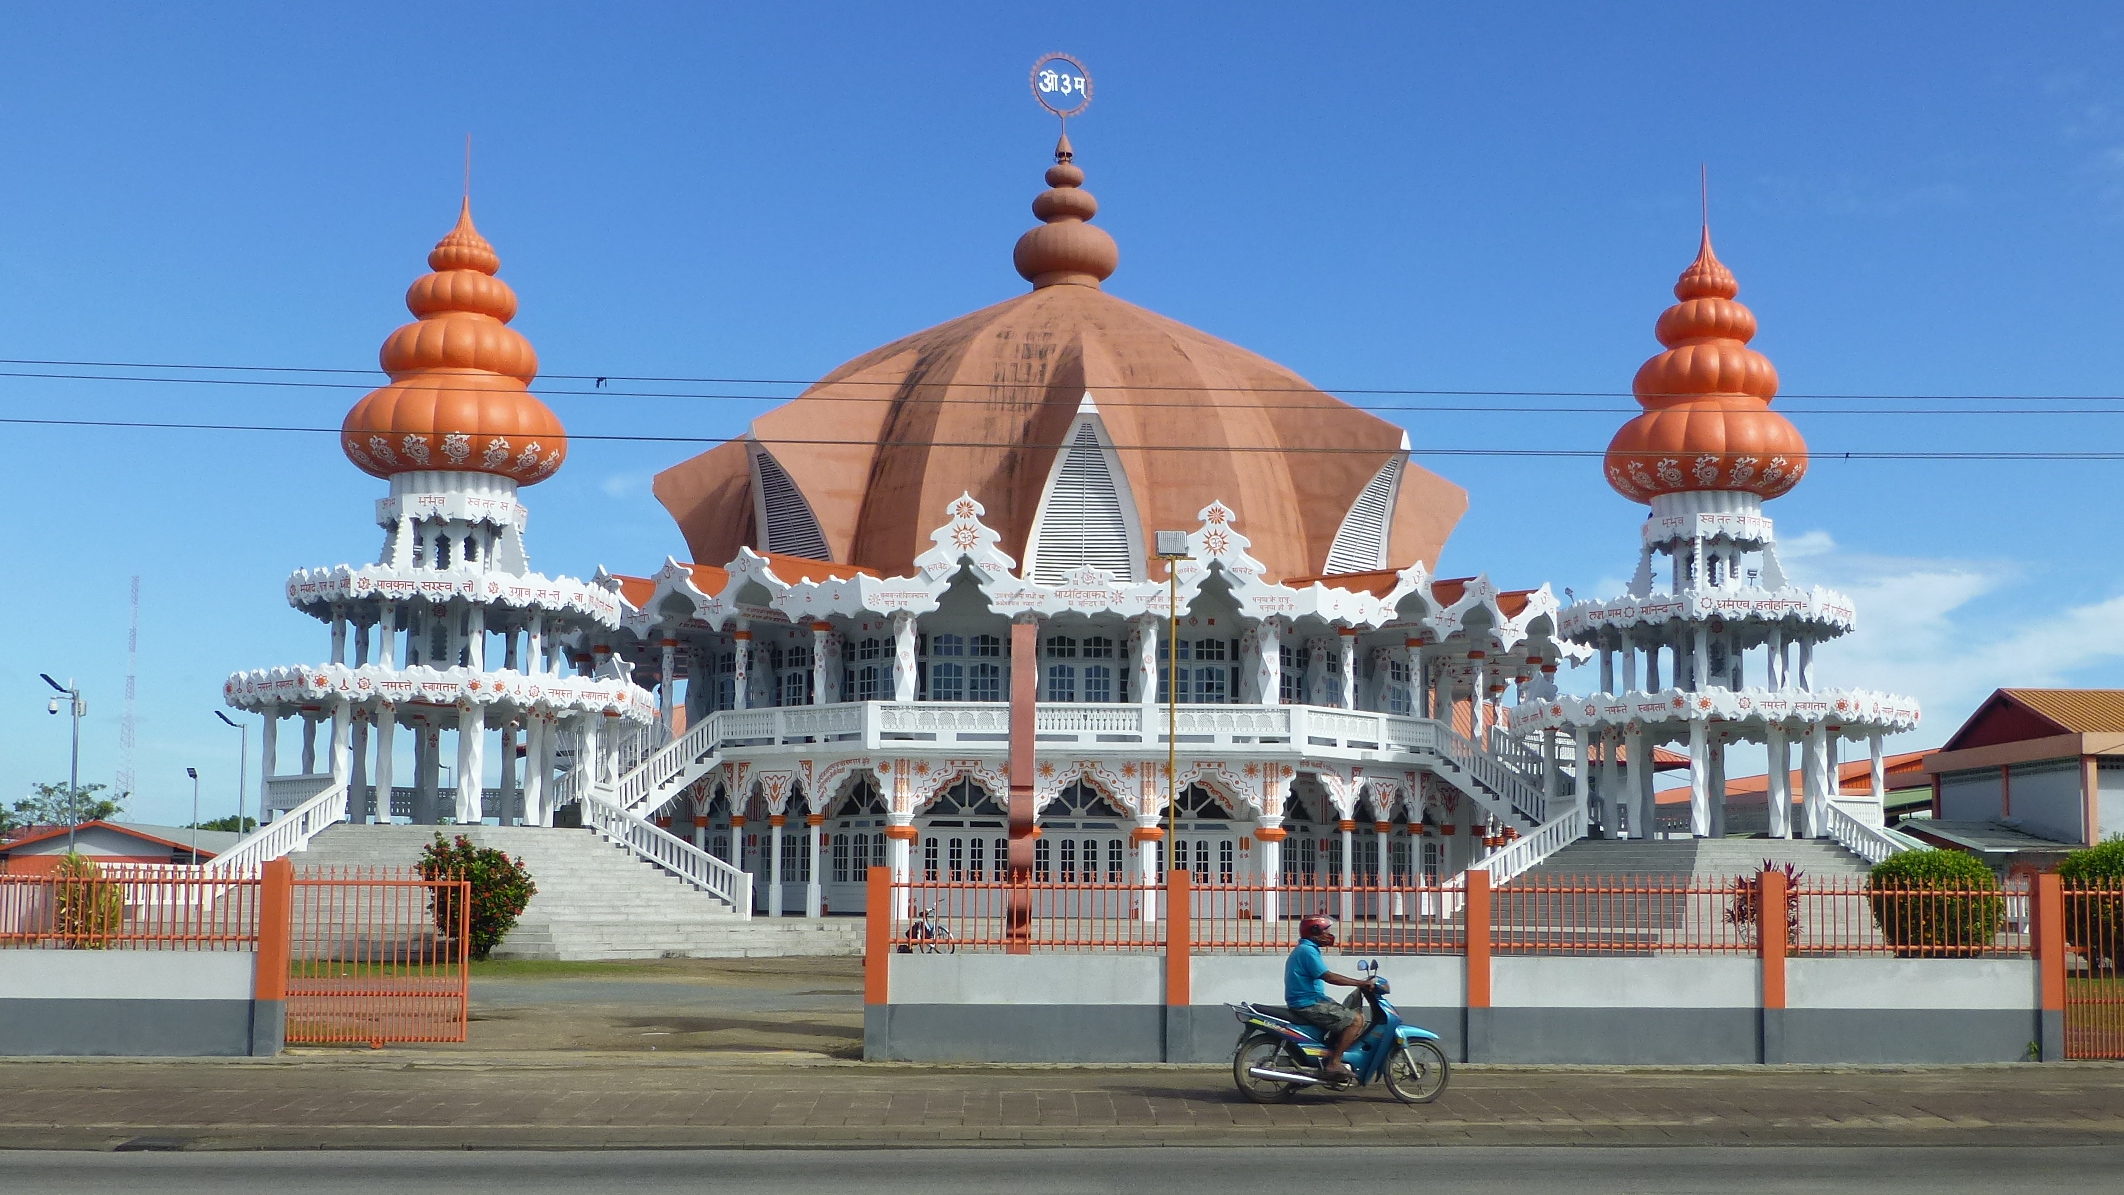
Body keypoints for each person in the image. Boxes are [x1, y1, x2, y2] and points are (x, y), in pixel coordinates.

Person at [1284, 914, 1376, 1080]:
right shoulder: (1307, 951)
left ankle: (1330, 1053)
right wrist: (1360, 983)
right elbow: (1329, 977)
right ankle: (1334, 1063)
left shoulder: (1307, 949)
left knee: (1350, 1013)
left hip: (1313, 1000)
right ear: (1314, 931)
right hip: (1308, 1003)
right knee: (1356, 1020)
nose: (1329, 934)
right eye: (1325, 930)